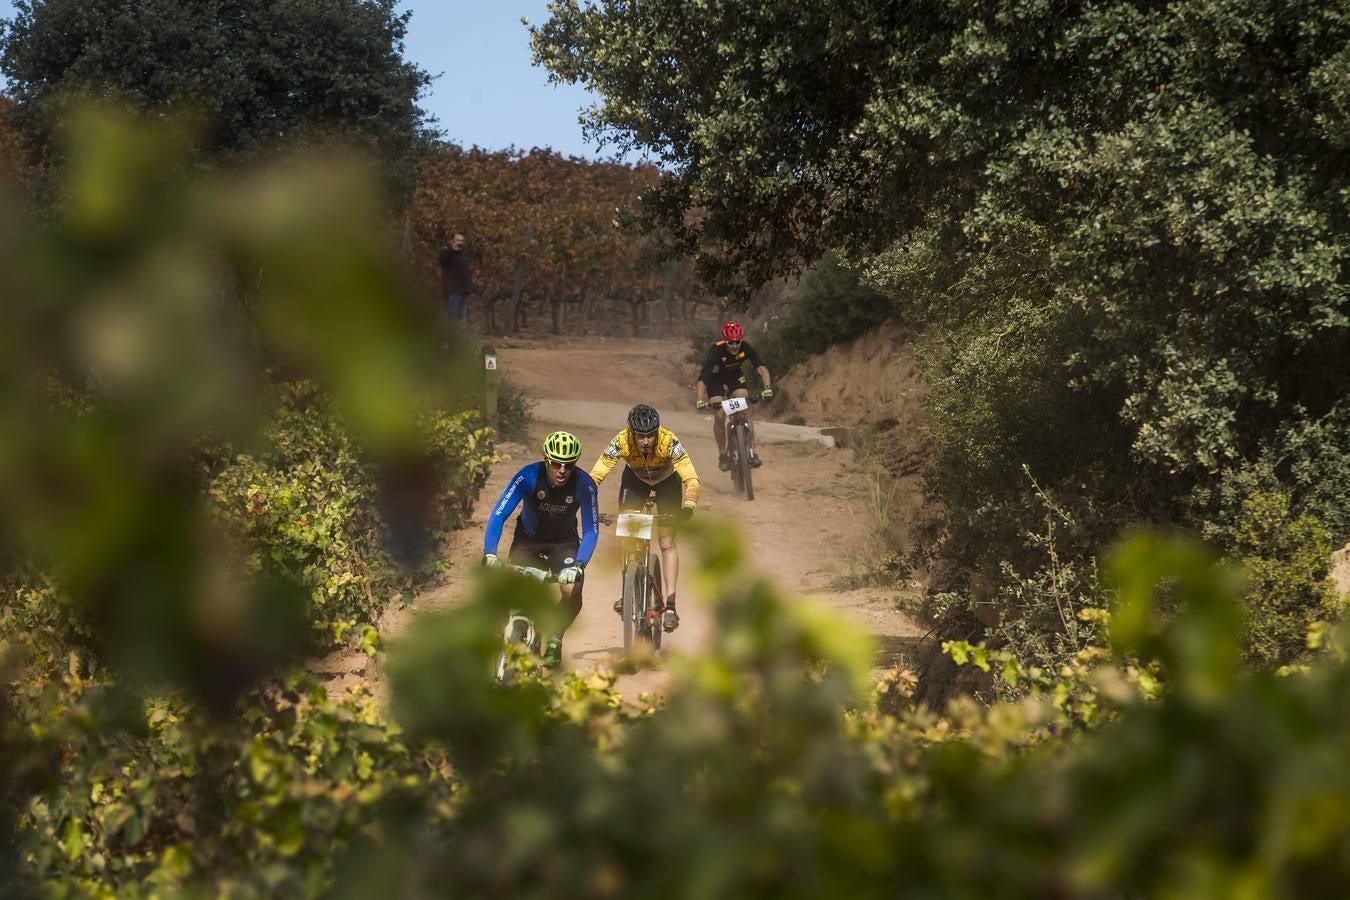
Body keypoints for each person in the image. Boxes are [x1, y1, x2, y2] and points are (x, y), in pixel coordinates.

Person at [482, 431, 598, 669]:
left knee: (572, 588)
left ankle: (555, 637)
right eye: (556, 463)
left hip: (563, 543)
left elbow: (590, 530)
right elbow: (499, 514)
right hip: (528, 541)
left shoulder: (585, 485)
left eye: (569, 465)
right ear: (546, 460)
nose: (562, 470)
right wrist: (490, 553)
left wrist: (579, 564)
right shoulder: (527, 476)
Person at [588, 404, 699, 632]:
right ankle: (627, 590)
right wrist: (586, 499)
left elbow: (691, 477)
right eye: (641, 436)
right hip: (636, 482)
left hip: (668, 483)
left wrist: (688, 505)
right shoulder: (621, 440)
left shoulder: (669, 440)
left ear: (657, 432)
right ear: (632, 433)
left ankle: (670, 605)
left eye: (650, 435)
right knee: (629, 534)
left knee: (667, 542)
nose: (646, 441)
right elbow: (597, 473)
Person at [695, 321, 774, 470]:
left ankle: (751, 452)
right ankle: (722, 455)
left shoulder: (745, 347)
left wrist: (767, 388)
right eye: (731, 343)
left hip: (734, 376)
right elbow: (702, 379)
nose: (735, 346)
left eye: (738, 342)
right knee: (719, 414)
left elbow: (762, 368)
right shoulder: (716, 351)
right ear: (725, 341)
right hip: (715, 379)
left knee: (745, 402)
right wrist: (699, 400)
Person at [437, 232, 474, 322]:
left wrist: (469, 288)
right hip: (453, 290)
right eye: (458, 240)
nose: (460, 242)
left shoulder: (462, 256)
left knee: (460, 317)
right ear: (452, 241)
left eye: (462, 241)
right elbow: (441, 259)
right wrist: (452, 249)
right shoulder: (447, 254)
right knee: (452, 315)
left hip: (464, 290)